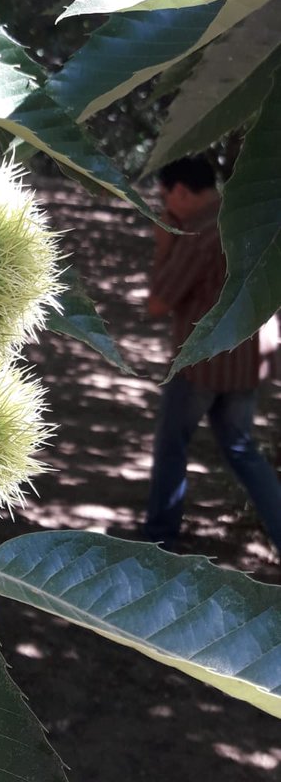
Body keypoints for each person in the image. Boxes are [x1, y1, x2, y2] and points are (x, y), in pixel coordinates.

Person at [144, 156, 281, 554]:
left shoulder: (199, 233)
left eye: (167, 199)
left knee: (172, 446)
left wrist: (163, 248)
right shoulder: (248, 218)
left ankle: (159, 540)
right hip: (248, 363)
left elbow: (157, 303)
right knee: (241, 449)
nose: (166, 209)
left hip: (199, 367)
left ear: (182, 191)